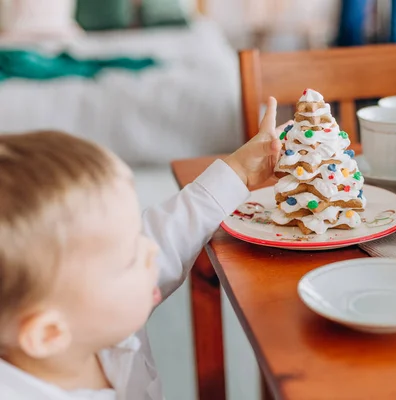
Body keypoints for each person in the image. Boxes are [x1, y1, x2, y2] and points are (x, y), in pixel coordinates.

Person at [0, 97, 289, 399]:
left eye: (137, 237)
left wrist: (240, 172)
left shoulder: (88, 317)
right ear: (49, 333)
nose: (151, 250)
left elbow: (170, 232)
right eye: (128, 259)